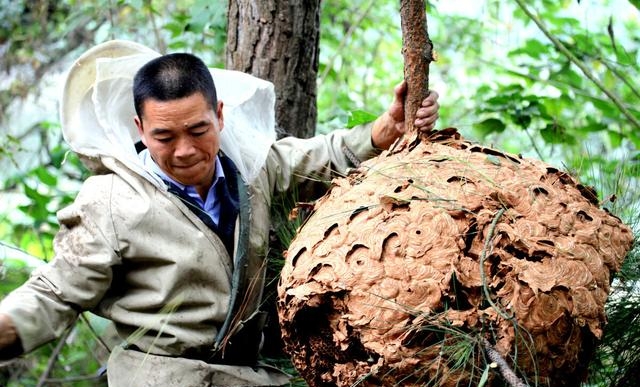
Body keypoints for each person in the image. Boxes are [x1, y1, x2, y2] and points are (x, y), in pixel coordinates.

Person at [0, 40, 439, 386]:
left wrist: (388, 128)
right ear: (139, 130)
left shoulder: (252, 167)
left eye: (197, 129)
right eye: (164, 137)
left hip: (251, 375)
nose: (186, 150)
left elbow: (326, 155)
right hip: (160, 380)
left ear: (220, 115)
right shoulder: (110, 200)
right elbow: (56, 292)